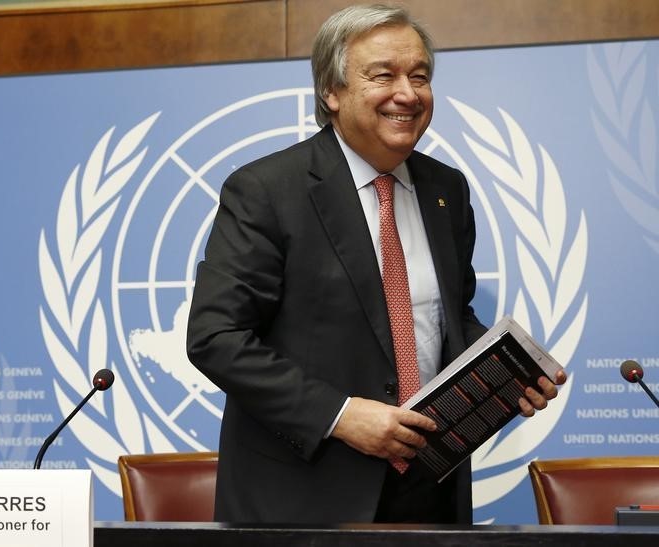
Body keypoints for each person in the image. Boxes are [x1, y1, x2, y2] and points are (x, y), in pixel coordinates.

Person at [186, 3, 566, 524]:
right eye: (382, 75)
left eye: (420, 76)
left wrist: (507, 371)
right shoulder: (267, 191)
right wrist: (339, 415)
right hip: (306, 494)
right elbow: (217, 337)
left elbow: (444, 317)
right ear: (332, 91)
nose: (407, 94)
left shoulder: (446, 190)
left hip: (432, 483)